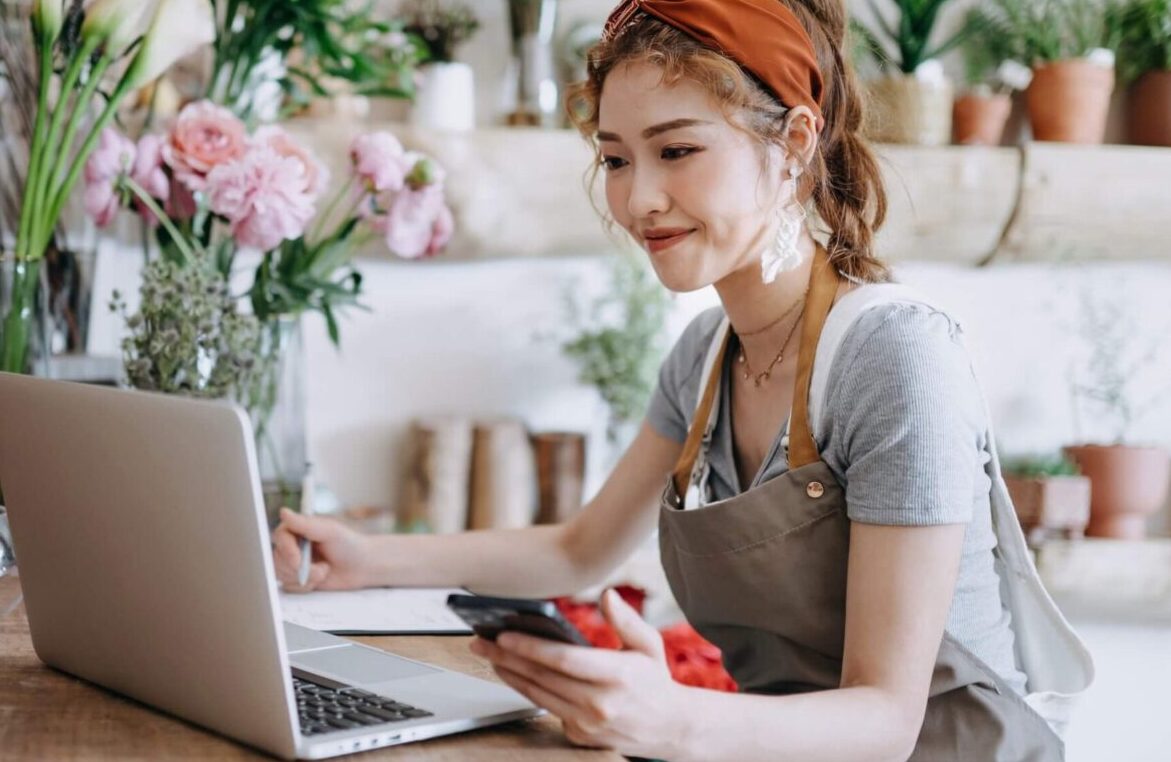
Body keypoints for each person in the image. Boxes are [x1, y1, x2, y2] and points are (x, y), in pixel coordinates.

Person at [274, 1, 1086, 759]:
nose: (638, 199)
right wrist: (363, 558)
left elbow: (884, 719)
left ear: (795, 143)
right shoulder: (704, 355)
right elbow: (575, 550)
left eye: (677, 150)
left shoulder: (894, 359)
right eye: (616, 159)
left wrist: (668, 717)